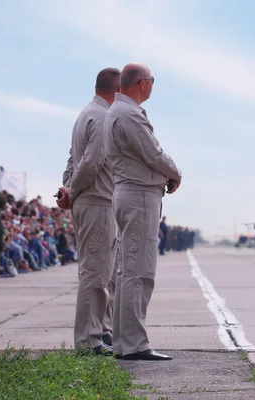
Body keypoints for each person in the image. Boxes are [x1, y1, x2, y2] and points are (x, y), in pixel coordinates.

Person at [103, 62, 182, 361]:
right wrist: (176, 172)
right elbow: (153, 153)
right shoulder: (129, 114)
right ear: (140, 83)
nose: (152, 85)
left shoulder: (118, 111)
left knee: (127, 271)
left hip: (129, 192)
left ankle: (125, 342)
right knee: (139, 272)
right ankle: (134, 344)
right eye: (151, 80)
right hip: (139, 195)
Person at [57, 67, 121, 356]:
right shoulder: (103, 116)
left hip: (92, 199)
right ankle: (88, 339)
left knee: (105, 273)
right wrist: (72, 190)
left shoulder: (86, 113)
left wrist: (68, 187)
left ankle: (102, 331)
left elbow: (73, 158)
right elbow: (92, 162)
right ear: (118, 90)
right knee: (95, 273)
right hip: (96, 199)